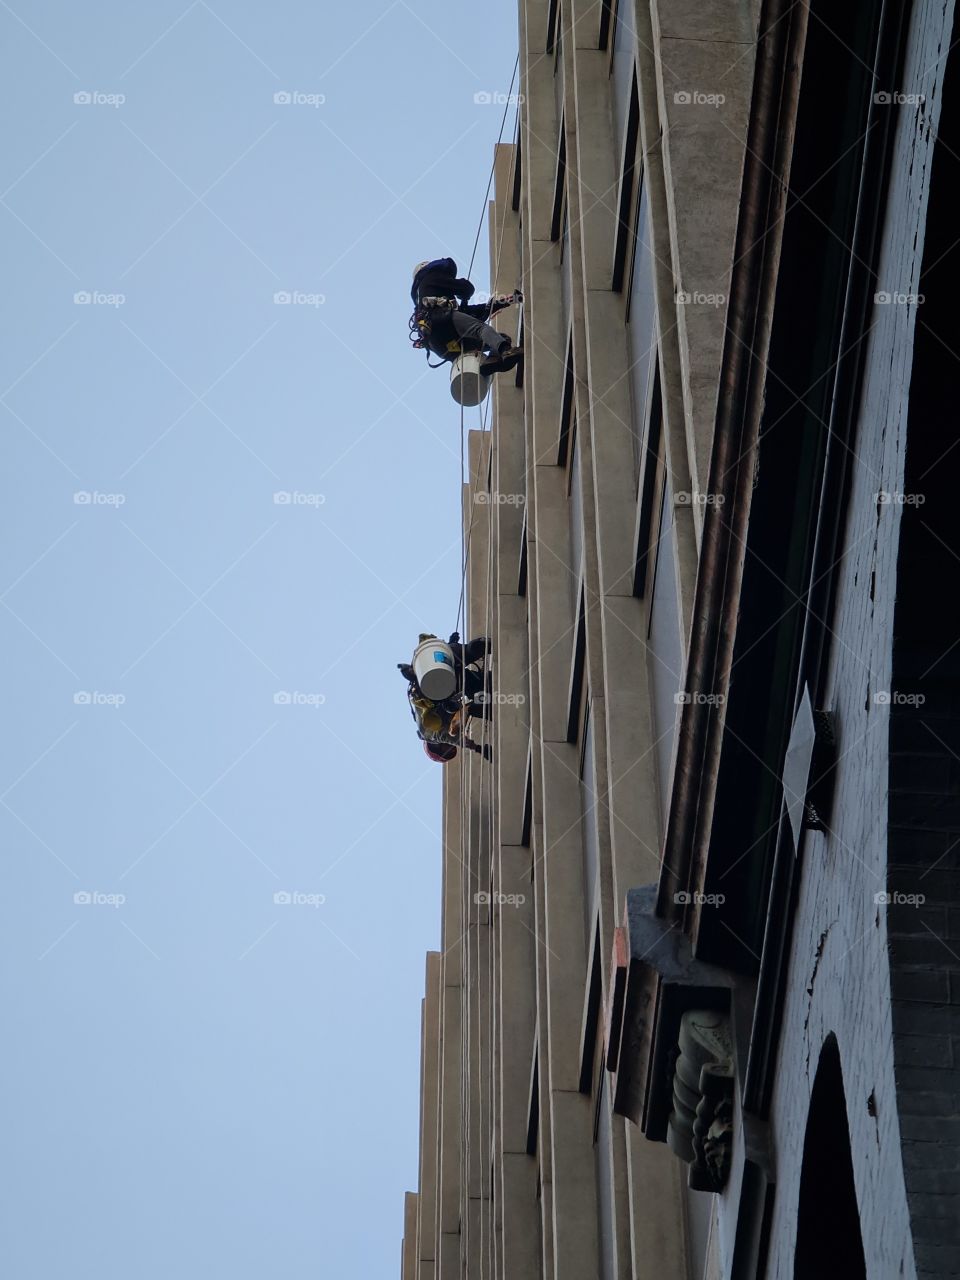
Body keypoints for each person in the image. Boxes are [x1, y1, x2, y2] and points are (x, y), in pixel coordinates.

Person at [409, 258, 523, 374]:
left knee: (500, 338)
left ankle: (492, 361)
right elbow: (466, 288)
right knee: (480, 329)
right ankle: (506, 352)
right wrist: (463, 295)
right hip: (443, 322)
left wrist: (505, 302)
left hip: (441, 347)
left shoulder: (425, 299)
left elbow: (469, 314)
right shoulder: (430, 278)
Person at [399, 630, 495, 761]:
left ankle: (493, 708)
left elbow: (454, 739)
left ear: (436, 747)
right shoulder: (419, 710)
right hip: (444, 662)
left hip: (447, 690)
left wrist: (478, 749)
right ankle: (476, 648)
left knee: (477, 705)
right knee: (468, 661)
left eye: (445, 750)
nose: (448, 748)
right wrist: (452, 643)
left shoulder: (429, 735)